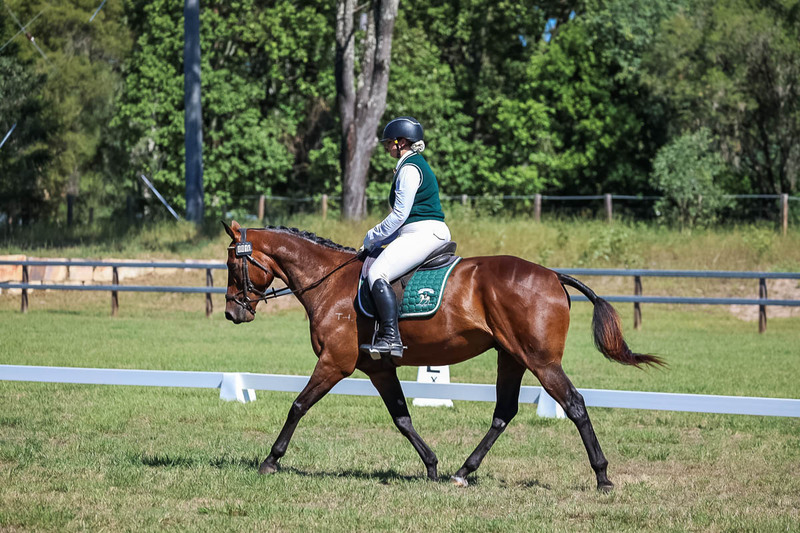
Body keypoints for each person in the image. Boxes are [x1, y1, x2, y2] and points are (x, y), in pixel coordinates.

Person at [359, 116, 452, 358]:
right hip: (423, 231)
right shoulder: (414, 164)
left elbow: (399, 215)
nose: (386, 147)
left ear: (401, 142)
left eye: (389, 142)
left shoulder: (409, 168)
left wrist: (371, 237)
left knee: (376, 273)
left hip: (422, 232)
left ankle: (390, 337)